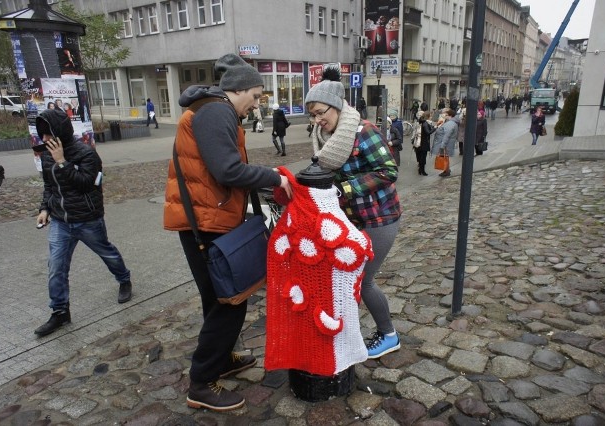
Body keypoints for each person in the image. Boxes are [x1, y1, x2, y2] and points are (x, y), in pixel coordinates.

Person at [163, 53, 292, 412]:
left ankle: (220, 359)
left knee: (217, 297)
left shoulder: (214, 110)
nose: (256, 104)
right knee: (230, 302)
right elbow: (228, 170)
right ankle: (202, 383)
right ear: (240, 89)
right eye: (256, 95)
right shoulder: (217, 112)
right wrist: (275, 177)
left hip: (208, 218)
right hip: (206, 223)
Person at [305, 66, 402, 359]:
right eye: (312, 115)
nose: (317, 120)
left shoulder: (364, 132)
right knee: (349, 279)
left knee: (364, 281)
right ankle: (352, 332)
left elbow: (388, 171)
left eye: (321, 112)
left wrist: (343, 190)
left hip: (379, 218)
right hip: (353, 219)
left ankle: (389, 335)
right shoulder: (328, 137)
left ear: (336, 107)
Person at [34, 108, 132, 337]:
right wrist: (44, 208)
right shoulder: (47, 154)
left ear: (60, 131)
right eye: (43, 135)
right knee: (56, 267)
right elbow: (49, 186)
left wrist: (62, 162)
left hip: (87, 219)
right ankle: (60, 312)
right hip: (60, 221)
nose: (46, 140)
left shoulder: (86, 154)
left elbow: (86, 183)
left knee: (107, 253)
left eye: (48, 134)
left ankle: (124, 279)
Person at [431, 108, 458, 177]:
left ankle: (446, 170)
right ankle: (446, 170)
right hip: (447, 143)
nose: (444, 115)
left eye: (445, 114)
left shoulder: (450, 123)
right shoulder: (449, 122)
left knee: (445, 157)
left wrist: (442, 146)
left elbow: (447, 135)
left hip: (446, 144)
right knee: (446, 157)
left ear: (449, 115)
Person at [412, 111, 435, 175]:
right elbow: (428, 132)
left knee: (420, 157)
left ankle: (420, 169)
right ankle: (422, 170)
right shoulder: (425, 123)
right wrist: (435, 128)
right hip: (423, 143)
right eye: (430, 116)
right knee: (423, 158)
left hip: (417, 142)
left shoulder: (420, 122)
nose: (431, 117)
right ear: (428, 117)